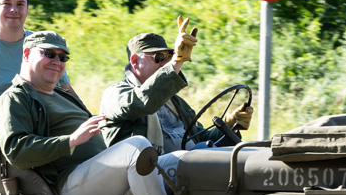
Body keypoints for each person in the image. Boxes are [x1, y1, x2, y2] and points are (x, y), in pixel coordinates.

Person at [0, 31, 179, 195]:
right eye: (49, 54)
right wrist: (71, 141)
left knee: (186, 161)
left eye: (62, 57)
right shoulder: (15, 98)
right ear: (26, 54)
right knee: (137, 147)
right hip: (66, 187)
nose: (57, 61)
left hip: (100, 176)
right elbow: (17, 150)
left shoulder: (64, 96)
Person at [100, 16, 253, 153]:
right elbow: (142, 103)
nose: (165, 63)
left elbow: (201, 138)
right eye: (158, 57)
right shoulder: (115, 94)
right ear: (134, 61)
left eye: (168, 57)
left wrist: (229, 125)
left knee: (250, 156)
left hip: (188, 164)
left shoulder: (174, 102)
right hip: (150, 168)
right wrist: (176, 61)